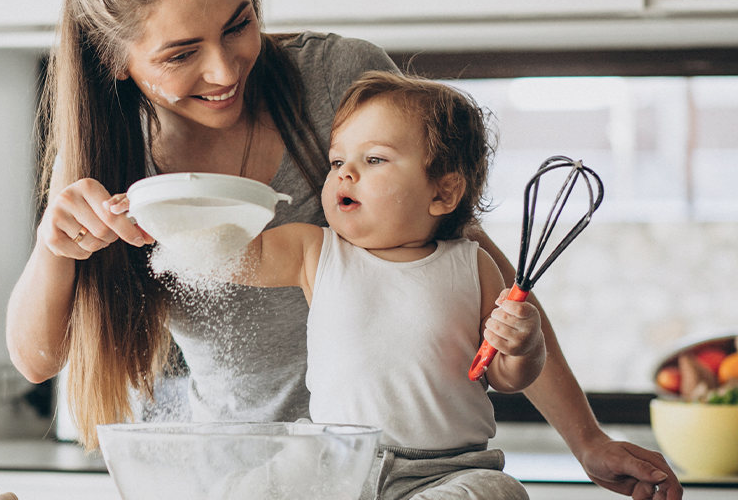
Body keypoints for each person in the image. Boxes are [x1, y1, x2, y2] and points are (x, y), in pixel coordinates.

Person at [5, 0, 681, 499]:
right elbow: (37, 360)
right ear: (118, 61)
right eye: (182, 54)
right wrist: (53, 245)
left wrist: (588, 441)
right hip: (254, 476)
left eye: (239, 23)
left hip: (411, 466)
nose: (225, 68)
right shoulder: (114, 164)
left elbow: (485, 275)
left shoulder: (337, 78)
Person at [201, 71, 538, 499]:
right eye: (337, 162)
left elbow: (505, 375)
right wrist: (164, 222)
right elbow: (235, 255)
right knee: (244, 490)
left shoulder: (473, 266)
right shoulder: (315, 251)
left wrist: (523, 346)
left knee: (499, 491)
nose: (345, 174)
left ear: (443, 192)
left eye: (374, 160)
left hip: (445, 470)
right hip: (331, 461)